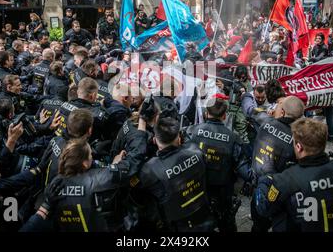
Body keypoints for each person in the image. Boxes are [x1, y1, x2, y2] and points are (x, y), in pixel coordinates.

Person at [130, 115, 215, 232]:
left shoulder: (149, 169)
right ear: (179, 138)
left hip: (176, 226)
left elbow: (136, 196)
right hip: (204, 216)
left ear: (154, 140)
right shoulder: (196, 150)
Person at [186, 95, 244, 232]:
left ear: (206, 113)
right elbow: (241, 166)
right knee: (227, 225)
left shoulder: (191, 131)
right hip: (223, 192)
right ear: (225, 116)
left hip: (197, 190)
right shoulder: (233, 138)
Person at [250, 96, 305, 232]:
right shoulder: (299, 139)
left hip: (258, 184)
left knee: (258, 225)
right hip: (279, 191)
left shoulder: (265, 122)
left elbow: (253, 112)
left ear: (282, 112)